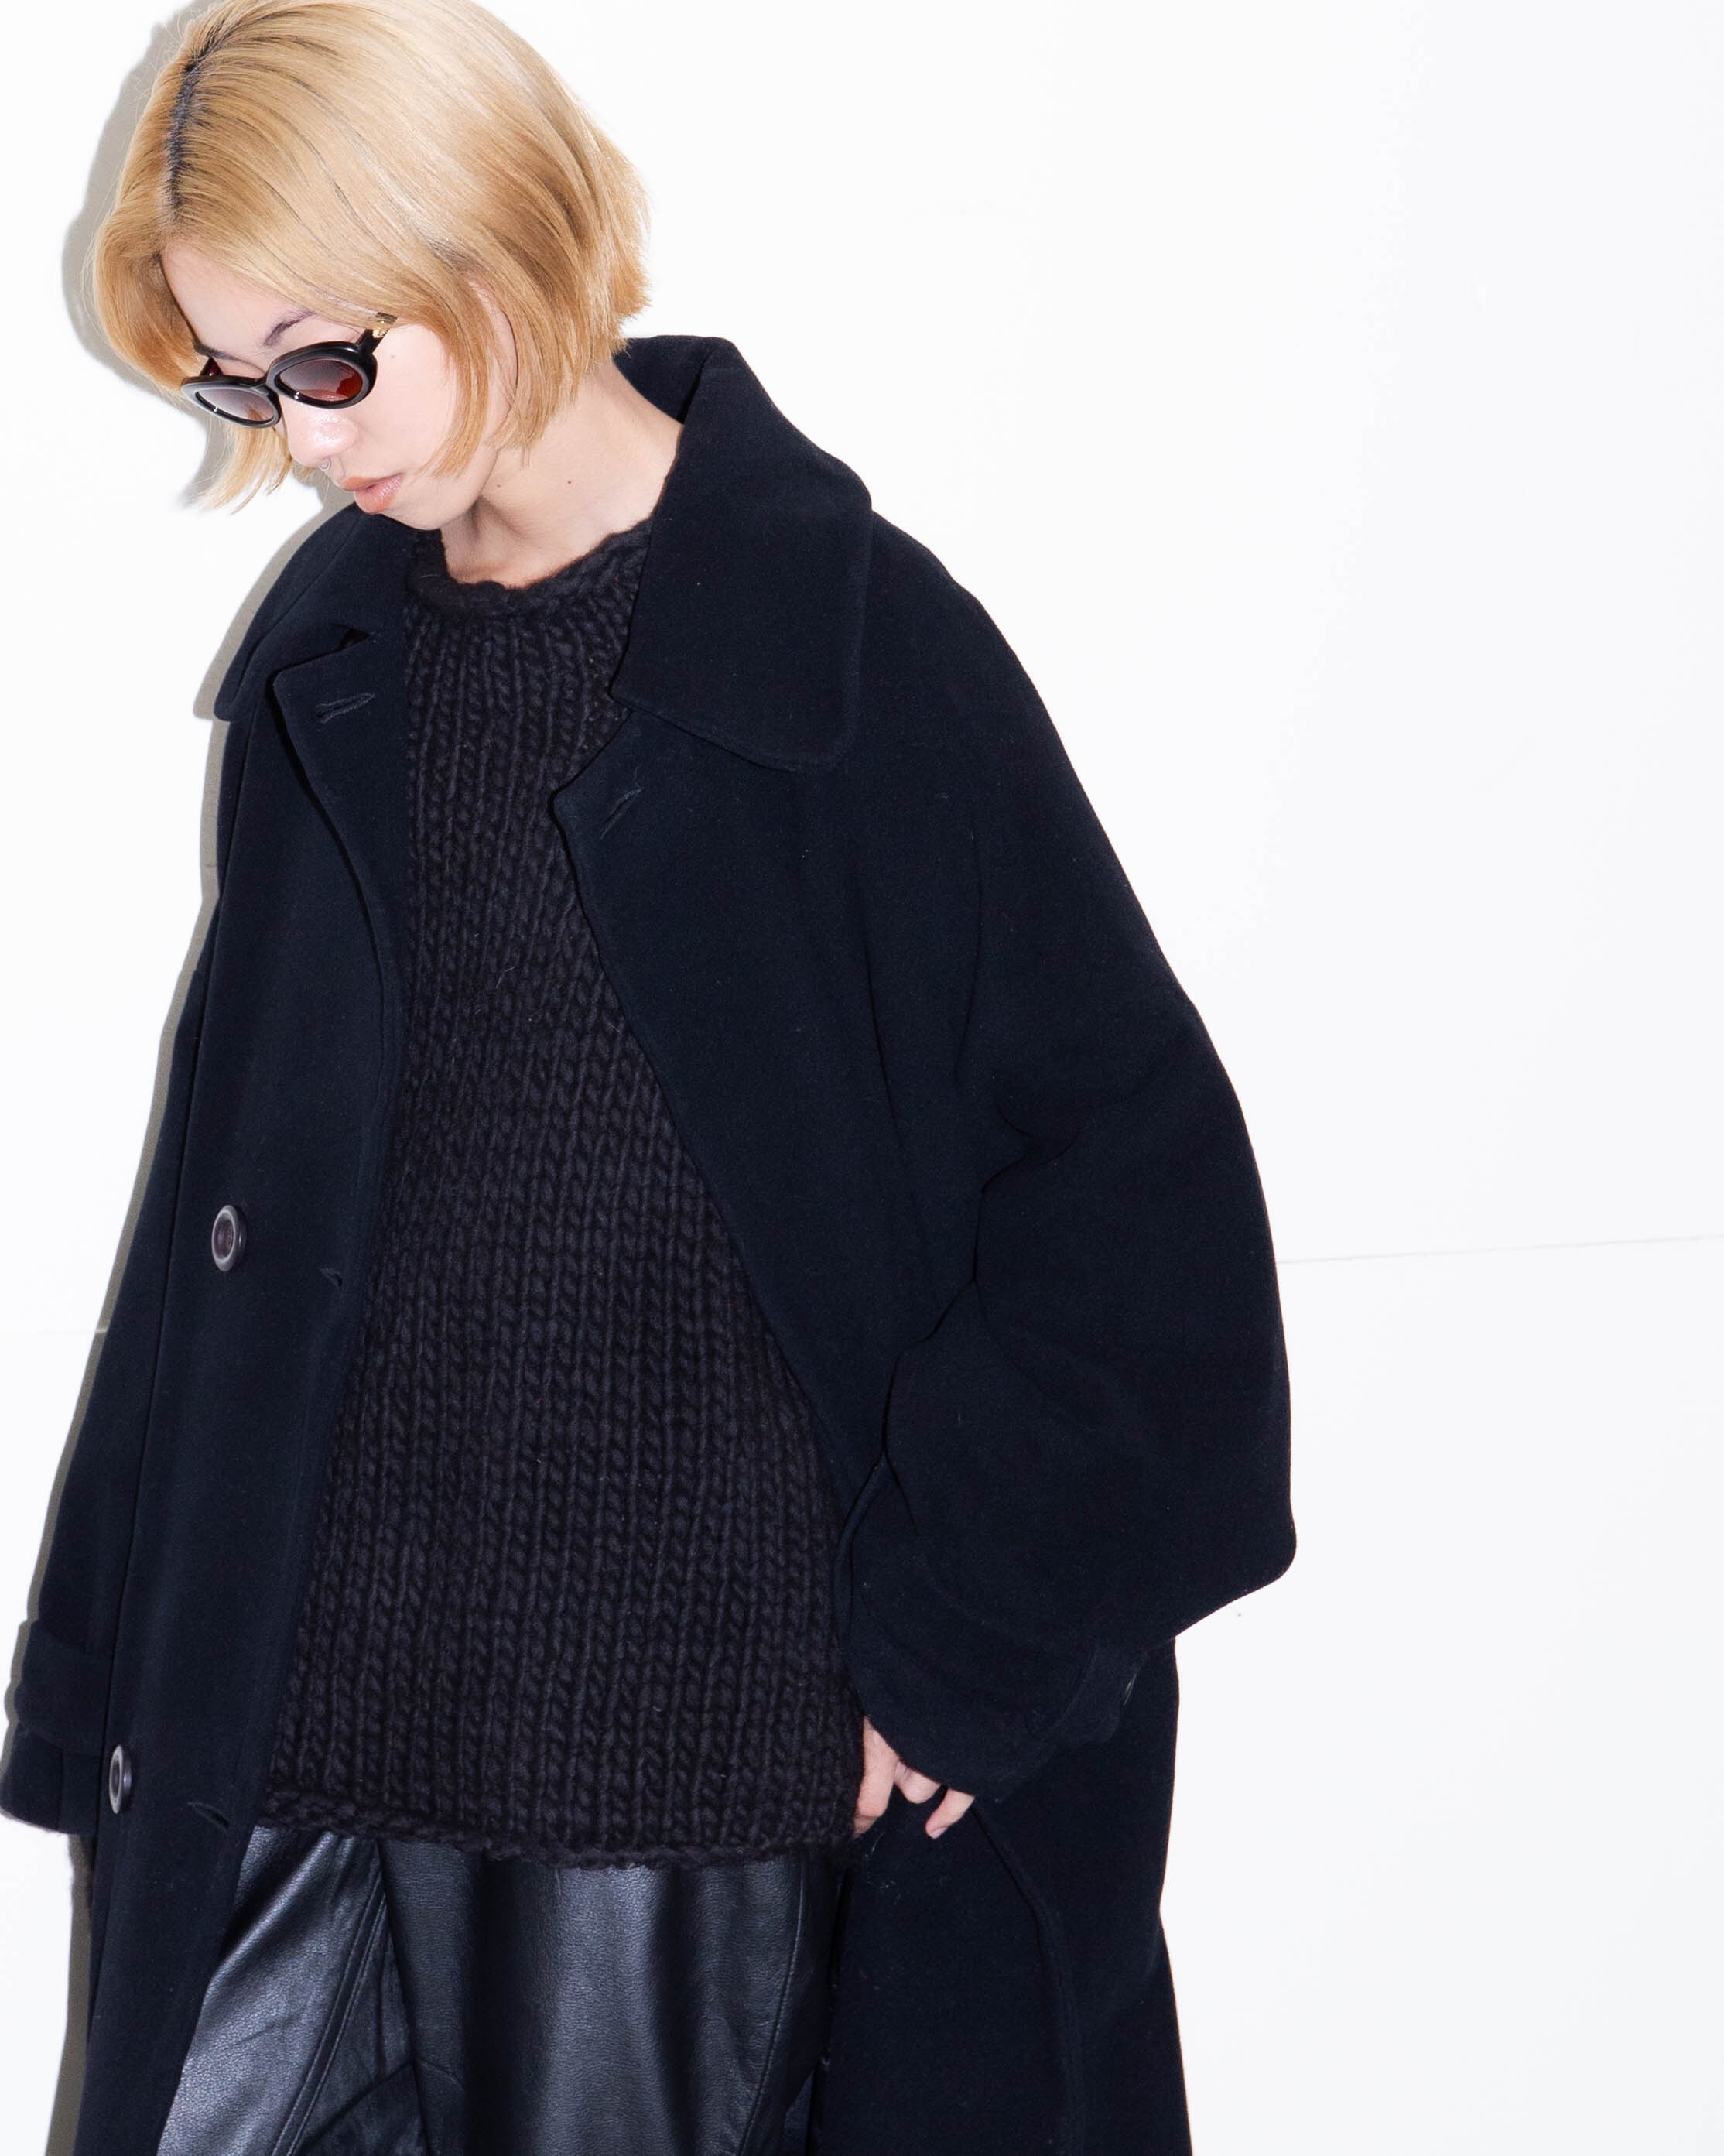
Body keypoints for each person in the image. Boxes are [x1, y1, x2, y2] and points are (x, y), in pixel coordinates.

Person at [0, 1, 1296, 2151]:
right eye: (241, 381)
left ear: (487, 238)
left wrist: (967, 1647)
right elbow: (218, 1224)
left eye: (328, 361)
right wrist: (111, 1676)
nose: (300, 441)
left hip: (659, 1781)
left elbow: (1133, 1199)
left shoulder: (848, 651)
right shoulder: (343, 661)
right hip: (297, 1746)